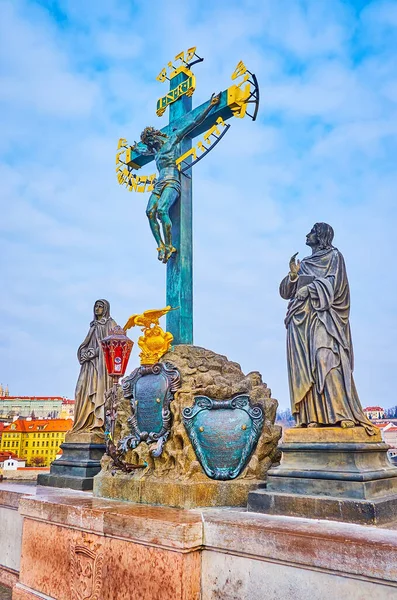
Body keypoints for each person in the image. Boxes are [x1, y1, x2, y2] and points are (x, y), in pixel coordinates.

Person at [279, 223, 375, 434]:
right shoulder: (304, 263)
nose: (307, 234)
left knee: (326, 359)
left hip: (325, 319)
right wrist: (294, 276)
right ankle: (312, 417)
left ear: (321, 236)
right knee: (305, 369)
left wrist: (310, 289)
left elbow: (336, 286)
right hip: (300, 321)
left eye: (312, 231)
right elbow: (287, 292)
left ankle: (340, 413)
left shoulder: (334, 257)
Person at [138, 92, 221, 263]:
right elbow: (140, 151)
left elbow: (194, 122)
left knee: (162, 210)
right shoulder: (155, 151)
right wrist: (133, 149)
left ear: (156, 136)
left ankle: (170, 246)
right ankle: (160, 245)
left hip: (171, 181)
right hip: (159, 183)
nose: (151, 144)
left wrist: (211, 105)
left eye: (151, 140)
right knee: (149, 212)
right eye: (149, 143)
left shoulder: (173, 139)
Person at [70, 299, 117, 437]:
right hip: (88, 366)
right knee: (80, 391)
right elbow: (86, 344)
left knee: (97, 391)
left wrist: (95, 353)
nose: (97, 308)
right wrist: (84, 354)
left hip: (100, 367)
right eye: (95, 306)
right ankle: (81, 425)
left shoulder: (110, 324)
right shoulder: (93, 326)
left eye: (100, 306)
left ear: (106, 309)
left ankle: (96, 423)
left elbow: (113, 346)